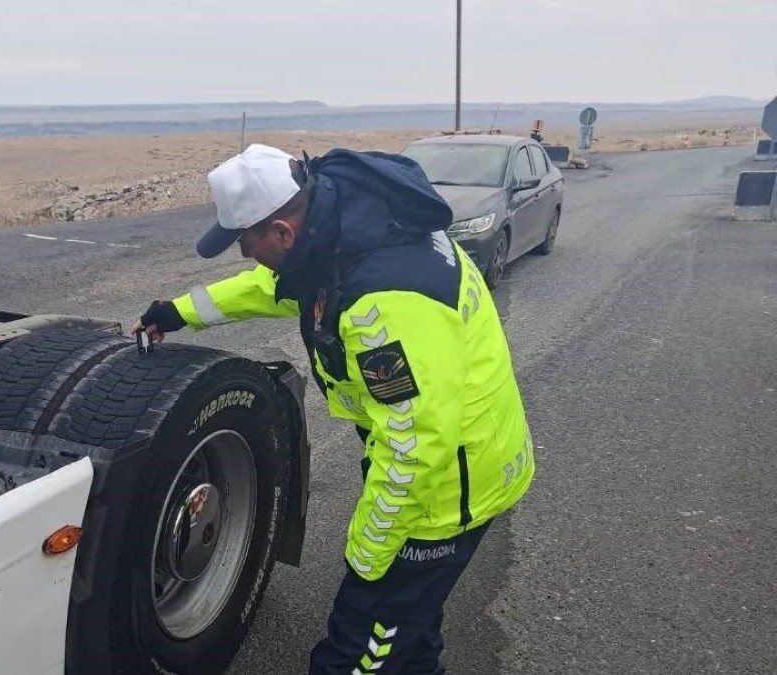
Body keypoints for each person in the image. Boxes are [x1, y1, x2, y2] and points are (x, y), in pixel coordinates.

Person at [134, 143, 535, 674]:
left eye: (247, 244)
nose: (247, 257)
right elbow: (278, 285)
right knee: (408, 635)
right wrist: (180, 312)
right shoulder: (350, 226)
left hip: (444, 491)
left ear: (282, 233)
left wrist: (369, 556)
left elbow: (415, 447)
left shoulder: (381, 300)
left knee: (356, 651)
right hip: (450, 455)